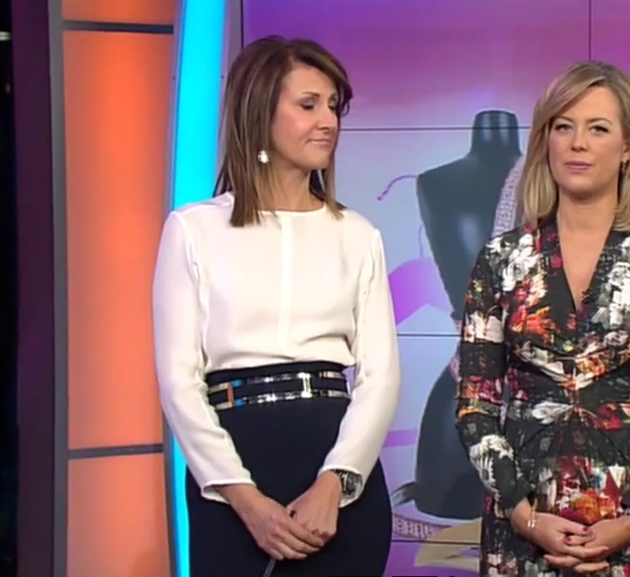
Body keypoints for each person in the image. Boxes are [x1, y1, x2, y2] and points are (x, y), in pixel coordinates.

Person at [455, 61, 630, 576]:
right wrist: (524, 515)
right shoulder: (501, 260)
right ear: (545, 140)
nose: (577, 143)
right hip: (525, 535)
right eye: (563, 126)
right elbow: (475, 407)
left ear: (628, 146)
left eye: (597, 128)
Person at [153, 36, 400, 577]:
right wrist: (243, 498)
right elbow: (178, 381)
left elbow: (381, 377)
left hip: (336, 475)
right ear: (260, 112)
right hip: (233, 475)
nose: (328, 121)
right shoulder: (194, 231)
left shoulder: (357, 234)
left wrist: (336, 484)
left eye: (333, 106)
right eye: (308, 105)